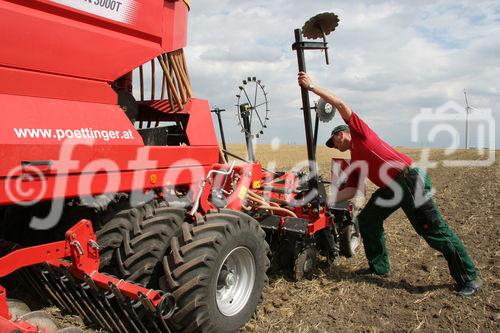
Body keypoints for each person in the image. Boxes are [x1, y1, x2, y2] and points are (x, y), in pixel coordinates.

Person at [297, 71, 481, 296]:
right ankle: (379, 267)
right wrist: (324, 202)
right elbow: (354, 190)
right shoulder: (355, 160)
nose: (335, 147)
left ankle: (468, 278)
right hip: (392, 188)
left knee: (433, 230)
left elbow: (341, 104)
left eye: (334, 142)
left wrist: (312, 86)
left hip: (410, 180)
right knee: (368, 220)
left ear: (342, 134)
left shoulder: (360, 132)